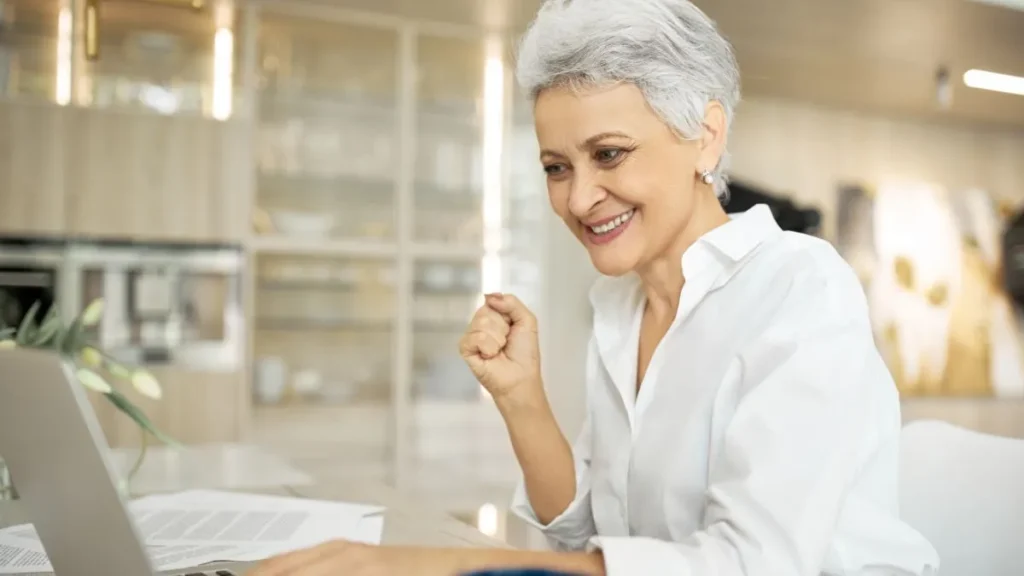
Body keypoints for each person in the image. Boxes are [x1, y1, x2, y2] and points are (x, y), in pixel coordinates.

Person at [251, 0, 941, 574]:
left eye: (609, 154)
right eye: (557, 167)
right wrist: (521, 399)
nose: (580, 199)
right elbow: (585, 535)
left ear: (705, 137)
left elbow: (748, 563)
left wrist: (440, 565)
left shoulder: (800, 286)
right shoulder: (621, 305)